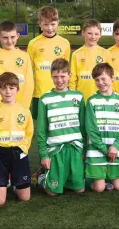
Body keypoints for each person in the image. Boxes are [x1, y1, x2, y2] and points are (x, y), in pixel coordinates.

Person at [0, 72, 34, 205]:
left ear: (17, 89)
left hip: (19, 153)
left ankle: (13, 181)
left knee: (25, 198)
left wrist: (23, 149)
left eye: (11, 88)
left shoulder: (24, 111)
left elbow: (29, 132)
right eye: (4, 88)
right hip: (0, 155)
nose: (8, 92)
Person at [35, 58, 86, 196]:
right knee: (52, 192)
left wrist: (84, 149)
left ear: (69, 75)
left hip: (75, 147)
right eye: (55, 77)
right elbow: (41, 130)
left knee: (79, 189)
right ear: (51, 76)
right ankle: (41, 177)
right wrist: (44, 155)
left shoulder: (78, 96)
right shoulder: (45, 99)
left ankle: (67, 177)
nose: (59, 80)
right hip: (56, 149)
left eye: (63, 76)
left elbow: (83, 126)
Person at [85, 63, 119, 192]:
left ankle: (106, 177)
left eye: (103, 79)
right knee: (99, 189)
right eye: (97, 80)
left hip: (115, 151)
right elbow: (91, 130)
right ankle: (88, 180)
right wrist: (105, 150)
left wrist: (116, 146)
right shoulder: (92, 101)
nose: (100, 83)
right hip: (97, 150)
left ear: (112, 78)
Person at [27, 6, 71, 120]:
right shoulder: (33, 44)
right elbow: (28, 70)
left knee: (58, 122)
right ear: (39, 24)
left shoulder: (65, 43)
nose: (50, 28)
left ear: (58, 23)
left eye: (53, 24)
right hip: (39, 93)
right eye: (46, 24)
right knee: (40, 125)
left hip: (59, 92)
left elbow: (66, 70)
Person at [0, 21, 34, 109]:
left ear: (18, 36)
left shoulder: (25, 56)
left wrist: (25, 105)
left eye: (12, 37)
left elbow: (29, 83)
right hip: (1, 105)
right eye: (5, 38)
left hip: (21, 105)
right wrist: (2, 102)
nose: (9, 41)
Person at [69, 19, 111, 103]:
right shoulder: (76, 54)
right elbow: (72, 80)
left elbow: (110, 78)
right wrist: (73, 96)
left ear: (100, 35)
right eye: (89, 33)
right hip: (82, 98)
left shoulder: (106, 53)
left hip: (101, 98)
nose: (93, 37)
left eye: (96, 34)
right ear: (83, 33)